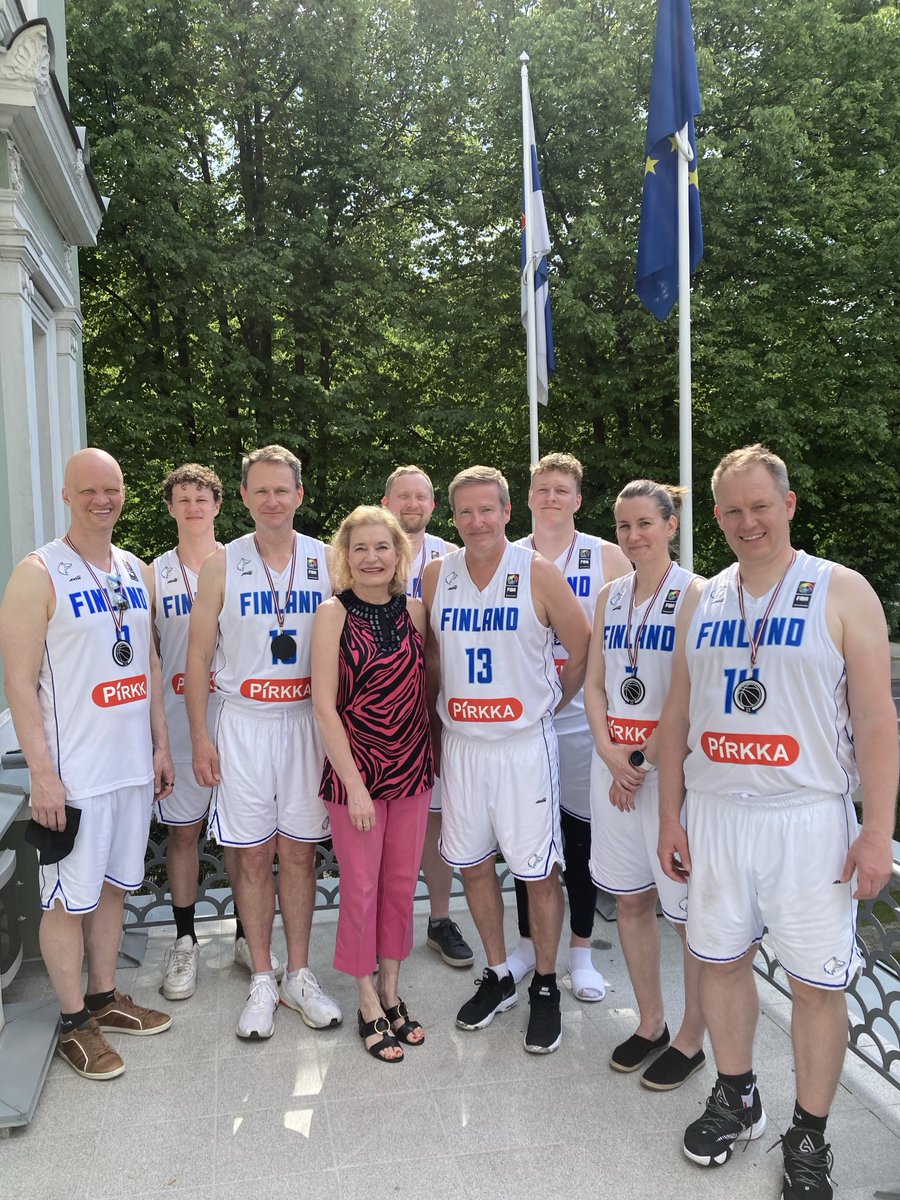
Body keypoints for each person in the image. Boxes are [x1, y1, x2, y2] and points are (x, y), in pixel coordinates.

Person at [657, 445, 898, 1198]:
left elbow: (876, 718)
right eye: (730, 510)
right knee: (720, 961)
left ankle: (811, 1133)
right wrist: (671, 814)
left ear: (788, 505)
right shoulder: (704, 596)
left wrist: (876, 829)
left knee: (815, 985)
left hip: (808, 819)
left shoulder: (841, 589)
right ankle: (738, 1095)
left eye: (759, 505)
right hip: (719, 815)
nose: (745, 521)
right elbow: (675, 717)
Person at [0, 448, 174, 1080]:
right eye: (90, 490)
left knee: (112, 889)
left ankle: (104, 996)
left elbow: (148, 667)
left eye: (114, 488)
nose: (104, 499)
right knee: (66, 903)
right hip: (73, 777)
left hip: (129, 767)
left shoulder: (133, 569)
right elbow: (18, 683)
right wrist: (42, 775)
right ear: (68, 496)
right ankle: (74, 1021)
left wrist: (159, 745)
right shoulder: (37, 572)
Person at [423, 465, 591, 1054]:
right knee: (471, 863)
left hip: (523, 746)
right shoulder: (435, 576)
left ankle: (545, 982)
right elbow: (433, 661)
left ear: (506, 512)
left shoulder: (538, 573)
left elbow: (583, 645)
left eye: (486, 510)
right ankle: (499, 972)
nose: (476, 521)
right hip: (464, 744)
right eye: (465, 512)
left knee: (537, 870)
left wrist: (549, 704)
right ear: (454, 517)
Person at [185, 445, 341, 1040]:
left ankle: (299, 973)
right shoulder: (222, 564)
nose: (273, 500)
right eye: (261, 490)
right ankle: (261, 977)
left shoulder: (328, 560)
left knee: (300, 852)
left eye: (283, 490)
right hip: (244, 723)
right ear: (244, 498)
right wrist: (200, 736)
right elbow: (198, 656)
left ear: (300, 496)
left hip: (306, 722)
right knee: (251, 855)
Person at [583, 479, 706, 1090]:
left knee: (688, 916)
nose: (633, 536)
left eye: (645, 524)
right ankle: (651, 1021)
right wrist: (610, 755)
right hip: (615, 775)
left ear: (671, 525)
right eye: (624, 526)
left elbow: (685, 696)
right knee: (629, 900)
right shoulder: (609, 595)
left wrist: (640, 765)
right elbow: (596, 685)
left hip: (668, 778)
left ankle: (692, 1036)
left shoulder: (698, 595)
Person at [312, 506, 434, 1062]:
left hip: (411, 769)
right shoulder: (332, 613)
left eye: (382, 547)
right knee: (360, 888)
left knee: (400, 884)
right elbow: (323, 707)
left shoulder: (415, 610)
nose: (371, 557)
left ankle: (391, 986)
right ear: (345, 555)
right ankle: (365, 998)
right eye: (360, 548)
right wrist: (355, 786)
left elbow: (426, 687)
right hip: (355, 774)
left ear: (398, 553)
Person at [509, 452, 630, 1000]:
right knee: (524, 840)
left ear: (578, 499)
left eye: (562, 490)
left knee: (579, 840)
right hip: (523, 722)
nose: (551, 498)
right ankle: (531, 946)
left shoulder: (607, 557)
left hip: (585, 722)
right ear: (528, 498)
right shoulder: (507, 557)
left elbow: (630, 641)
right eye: (542, 490)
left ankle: (581, 950)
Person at [382, 465, 473, 969]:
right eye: (403, 497)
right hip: (377, 711)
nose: (412, 505)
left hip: (440, 706)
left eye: (421, 497)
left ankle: (439, 919)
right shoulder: (365, 551)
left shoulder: (452, 559)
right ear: (386, 501)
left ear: (432, 507)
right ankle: (380, 922)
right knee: (376, 819)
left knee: (434, 816)